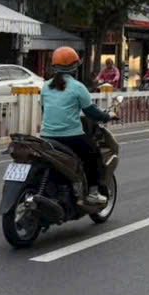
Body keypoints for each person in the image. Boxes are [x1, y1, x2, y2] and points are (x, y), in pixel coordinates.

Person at [41, 46, 113, 205]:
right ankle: (93, 193)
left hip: (46, 136)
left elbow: (45, 110)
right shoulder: (78, 87)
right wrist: (108, 116)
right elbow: (92, 112)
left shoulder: (46, 86)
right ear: (74, 67)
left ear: (54, 66)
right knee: (93, 155)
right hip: (70, 137)